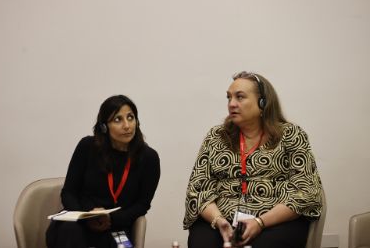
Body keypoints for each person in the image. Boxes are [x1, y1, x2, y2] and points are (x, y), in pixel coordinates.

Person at [183, 71, 323, 248]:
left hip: (274, 221)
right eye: (229, 98)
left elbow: (306, 192)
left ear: (263, 102)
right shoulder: (216, 136)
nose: (231, 104)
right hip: (222, 219)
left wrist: (260, 222)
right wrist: (219, 220)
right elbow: (198, 189)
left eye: (240, 97)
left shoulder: (291, 135)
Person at [46, 95, 161, 248]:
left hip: (117, 226)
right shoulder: (87, 147)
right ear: (104, 127)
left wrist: (111, 219)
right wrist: (88, 216)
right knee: (69, 232)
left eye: (130, 117)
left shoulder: (149, 158)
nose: (127, 125)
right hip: (79, 223)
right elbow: (69, 192)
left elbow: (142, 204)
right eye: (118, 119)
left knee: (123, 246)